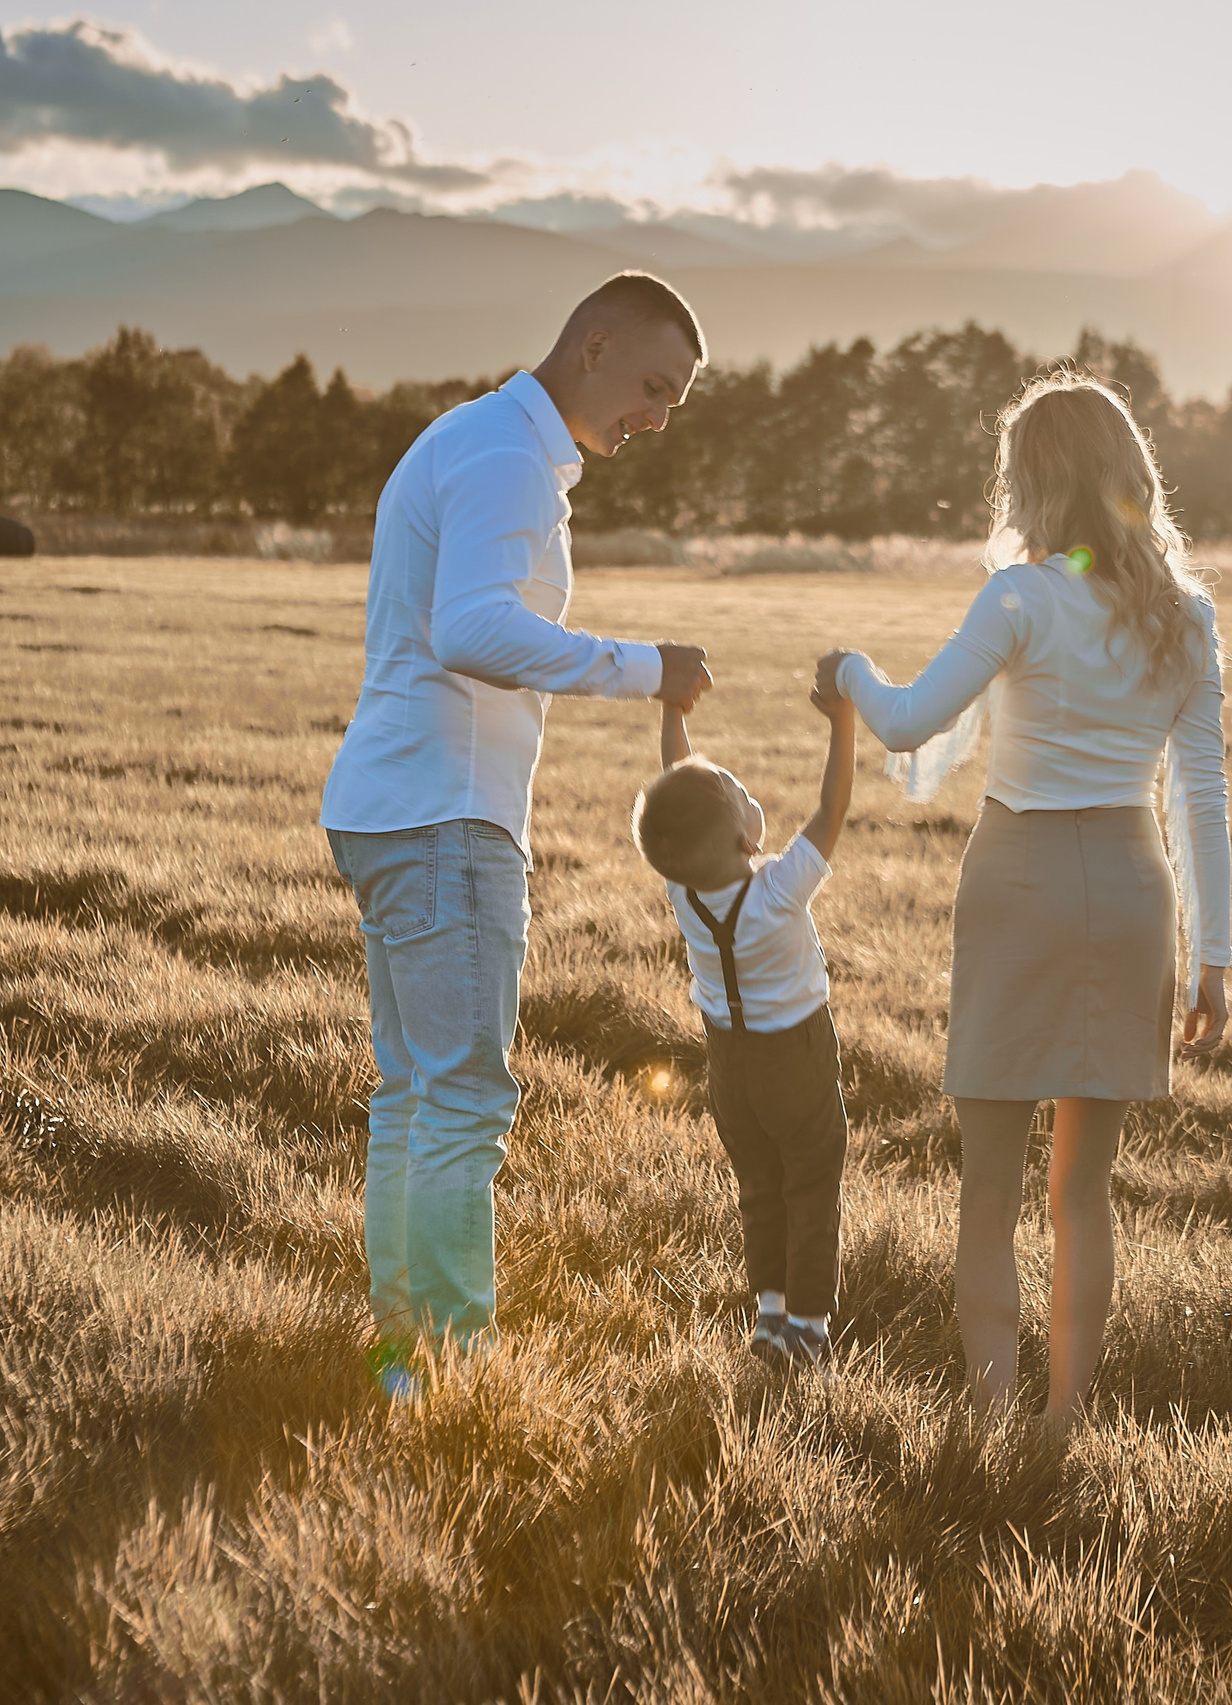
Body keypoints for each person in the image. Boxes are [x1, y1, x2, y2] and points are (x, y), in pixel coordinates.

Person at [815, 370, 1232, 1424]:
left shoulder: (1019, 598)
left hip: (1017, 882)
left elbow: (908, 723)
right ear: (1128, 474)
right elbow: (1200, 798)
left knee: (988, 1190)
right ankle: (1062, 1422)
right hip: (1135, 892)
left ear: (1027, 483)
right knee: (1082, 1192)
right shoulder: (1184, 618)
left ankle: (994, 1417)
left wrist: (850, 672)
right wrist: (1212, 956)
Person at [322, 272, 714, 1382]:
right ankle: (448, 1363)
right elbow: (473, 628)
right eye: (652, 384)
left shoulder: (485, 441)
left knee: (414, 1096)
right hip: (445, 817)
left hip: (401, 805)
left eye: (676, 399)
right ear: (590, 346)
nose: (659, 415)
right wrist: (646, 668)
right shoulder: (503, 458)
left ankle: (406, 1354)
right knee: (460, 1101)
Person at [631, 681, 857, 1369]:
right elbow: (831, 808)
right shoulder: (778, 888)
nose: (741, 785)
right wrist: (840, 723)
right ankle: (810, 1328)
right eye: (735, 789)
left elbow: (678, 790)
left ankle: (769, 1315)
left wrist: (674, 715)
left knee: (759, 1188)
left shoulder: (683, 891)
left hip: (728, 1066)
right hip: (794, 1056)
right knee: (812, 1184)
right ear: (742, 835)